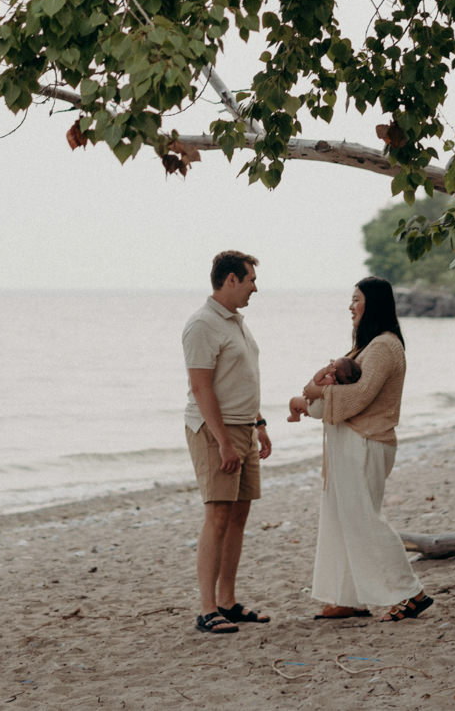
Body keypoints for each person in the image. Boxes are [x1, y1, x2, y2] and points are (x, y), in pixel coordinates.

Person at [301, 276, 433, 623]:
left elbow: (358, 397)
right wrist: (312, 398)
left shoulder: (385, 347)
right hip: (347, 444)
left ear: (373, 303)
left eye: (356, 299)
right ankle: (349, 597)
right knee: (341, 519)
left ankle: (411, 593)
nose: (351, 305)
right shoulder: (364, 348)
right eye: (351, 298)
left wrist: (313, 396)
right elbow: (325, 392)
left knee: (364, 520)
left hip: (366, 442)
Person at [182, 250, 272, 635]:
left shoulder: (237, 323)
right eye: (251, 279)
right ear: (231, 279)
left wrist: (260, 423)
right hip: (214, 431)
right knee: (217, 515)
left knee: (238, 516)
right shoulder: (202, 324)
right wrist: (223, 442)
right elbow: (201, 388)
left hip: (244, 428)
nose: (255, 287)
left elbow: (243, 377)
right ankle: (207, 609)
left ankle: (228, 602)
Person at [288, 356, 361, 420]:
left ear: (334, 374)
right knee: (304, 405)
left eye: (333, 364)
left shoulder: (329, 380)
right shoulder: (339, 385)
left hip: (315, 408)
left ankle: (295, 417)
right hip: (322, 410)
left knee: (293, 401)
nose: (331, 363)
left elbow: (316, 379)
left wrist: (325, 370)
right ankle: (306, 410)